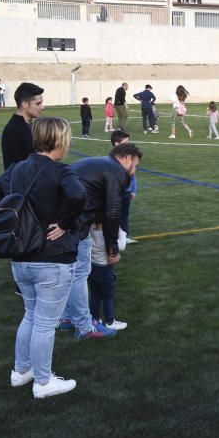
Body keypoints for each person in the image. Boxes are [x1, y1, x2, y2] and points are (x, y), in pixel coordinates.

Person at [0, 116, 87, 398]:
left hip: (21, 258)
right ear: (59, 140)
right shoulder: (61, 171)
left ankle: (21, 371)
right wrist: (64, 224)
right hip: (52, 260)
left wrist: (21, 218)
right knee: (44, 323)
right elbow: (79, 196)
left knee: (30, 315)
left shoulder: (18, 169)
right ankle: (42, 382)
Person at [59, 142, 143, 340]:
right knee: (79, 274)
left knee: (69, 273)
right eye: (136, 165)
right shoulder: (117, 172)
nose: (134, 171)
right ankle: (85, 325)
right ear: (127, 159)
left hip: (61, 221)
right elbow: (112, 213)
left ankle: (66, 317)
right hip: (73, 225)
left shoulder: (99, 164)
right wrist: (112, 250)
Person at [1, 82, 44, 170]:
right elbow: (19, 169)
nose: (42, 107)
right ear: (25, 104)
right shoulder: (15, 130)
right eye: (38, 104)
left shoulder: (26, 124)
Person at [110, 130, 138, 244]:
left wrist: (133, 189)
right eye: (126, 141)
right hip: (116, 192)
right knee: (114, 215)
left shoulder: (129, 155)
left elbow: (133, 174)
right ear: (117, 144)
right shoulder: (113, 158)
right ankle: (113, 236)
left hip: (126, 191)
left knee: (124, 214)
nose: (128, 143)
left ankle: (124, 236)